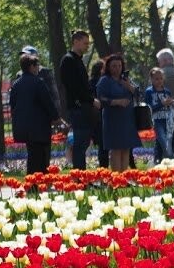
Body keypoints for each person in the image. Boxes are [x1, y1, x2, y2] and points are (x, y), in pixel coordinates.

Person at [10, 52, 60, 175]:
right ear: (31, 66)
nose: (38, 68)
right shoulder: (38, 82)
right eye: (37, 65)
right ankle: (37, 182)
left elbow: (12, 105)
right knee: (40, 157)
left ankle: (32, 182)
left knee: (32, 154)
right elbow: (48, 102)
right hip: (39, 126)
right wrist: (56, 118)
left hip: (24, 127)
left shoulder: (16, 84)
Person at [58, 30, 100, 169]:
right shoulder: (69, 60)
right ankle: (79, 178)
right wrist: (91, 99)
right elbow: (74, 87)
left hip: (83, 106)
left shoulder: (77, 60)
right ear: (76, 42)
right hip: (78, 107)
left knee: (84, 142)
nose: (87, 46)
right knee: (80, 143)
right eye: (85, 43)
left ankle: (82, 177)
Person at [95, 54, 139, 172]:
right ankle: (116, 178)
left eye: (119, 65)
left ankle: (124, 177)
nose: (117, 68)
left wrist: (129, 87)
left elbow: (138, 93)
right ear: (108, 67)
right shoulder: (105, 80)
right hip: (112, 118)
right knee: (116, 148)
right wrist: (116, 102)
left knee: (126, 148)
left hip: (127, 118)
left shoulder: (126, 79)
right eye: (114, 66)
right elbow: (100, 98)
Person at [16, 46, 62, 117]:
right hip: (28, 116)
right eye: (22, 55)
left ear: (35, 56)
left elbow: (55, 96)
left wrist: (56, 115)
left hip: (45, 115)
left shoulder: (46, 72)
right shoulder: (19, 75)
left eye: (26, 55)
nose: (23, 57)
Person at [143, 67, 174, 162]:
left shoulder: (167, 91)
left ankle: (157, 161)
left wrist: (171, 103)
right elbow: (149, 108)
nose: (159, 81)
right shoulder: (149, 91)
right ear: (151, 79)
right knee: (163, 140)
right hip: (157, 120)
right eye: (156, 79)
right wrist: (162, 103)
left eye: (161, 78)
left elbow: (169, 106)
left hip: (168, 120)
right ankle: (171, 158)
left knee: (159, 142)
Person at [89, 60, 109, 169]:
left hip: (94, 118)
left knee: (102, 145)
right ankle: (104, 168)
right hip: (102, 115)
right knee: (104, 146)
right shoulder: (104, 82)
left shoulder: (90, 82)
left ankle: (103, 168)